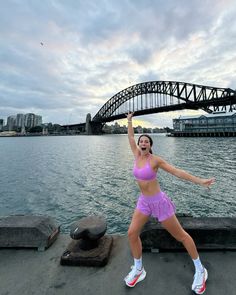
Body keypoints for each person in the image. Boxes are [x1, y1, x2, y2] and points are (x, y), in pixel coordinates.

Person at [124, 112, 215, 295]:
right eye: (141, 141)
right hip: (144, 202)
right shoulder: (136, 155)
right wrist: (129, 120)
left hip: (159, 203)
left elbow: (177, 172)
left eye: (146, 142)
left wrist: (200, 181)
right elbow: (131, 136)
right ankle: (139, 268)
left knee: (181, 236)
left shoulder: (155, 160)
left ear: (150, 146)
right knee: (132, 233)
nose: (142, 143)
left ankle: (200, 270)